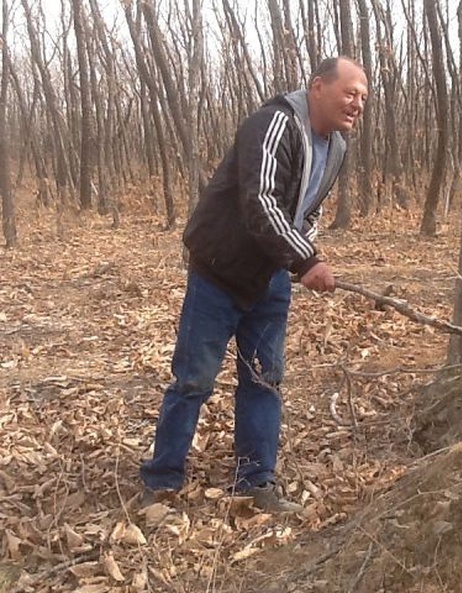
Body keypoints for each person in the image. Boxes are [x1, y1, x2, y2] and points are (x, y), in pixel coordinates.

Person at [139, 56, 369, 512]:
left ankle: (255, 483)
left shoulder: (337, 145)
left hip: (269, 274)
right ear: (318, 86)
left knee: (264, 380)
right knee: (193, 380)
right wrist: (306, 261)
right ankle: (161, 480)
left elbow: (309, 210)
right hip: (219, 271)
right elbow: (260, 202)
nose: (357, 103)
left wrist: (300, 252)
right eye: (350, 92)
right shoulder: (273, 124)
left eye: (363, 97)